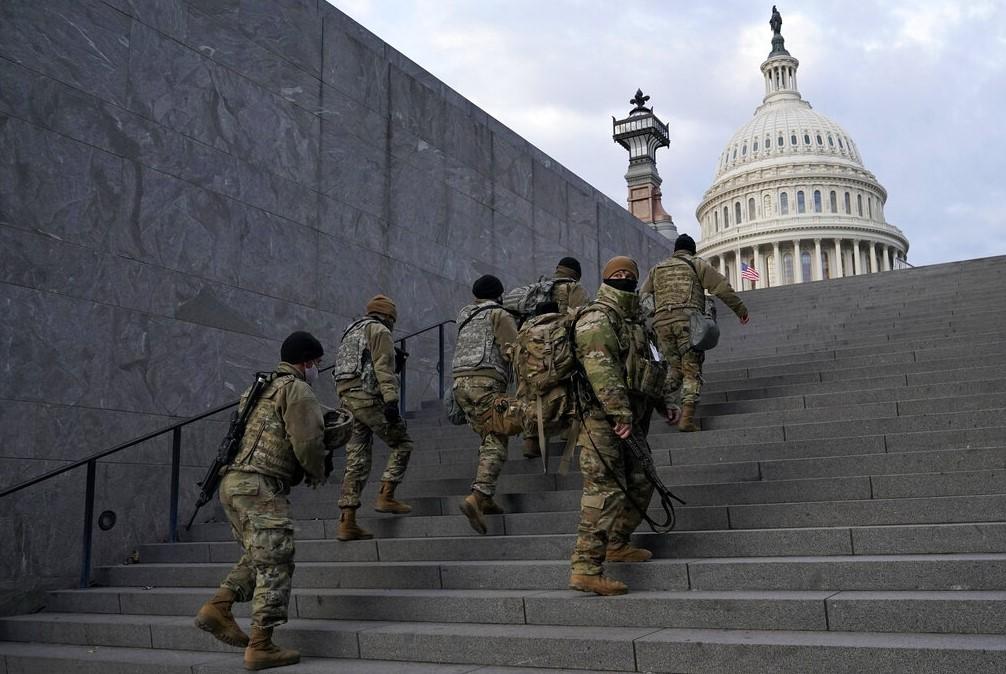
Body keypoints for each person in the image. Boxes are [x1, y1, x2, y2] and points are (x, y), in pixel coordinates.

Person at [194, 331, 327, 670]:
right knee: (276, 560)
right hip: (258, 486)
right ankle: (261, 645)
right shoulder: (297, 389)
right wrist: (316, 471)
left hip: (233, 483)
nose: (318, 370)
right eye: (317, 364)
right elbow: (308, 440)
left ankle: (219, 606)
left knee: (260, 554)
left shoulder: (258, 389)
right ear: (308, 362)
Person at [569, 257, 664, 596]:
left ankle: (617, 543)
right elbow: (600, 366)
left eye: (629, 275)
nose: (624, 279)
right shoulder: (598, 316)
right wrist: (618, 412)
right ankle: (585, 568)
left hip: (632, 417)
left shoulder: (636, 320)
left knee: (642, 480)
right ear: (606, 280)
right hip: (601, 417)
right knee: (604, 490)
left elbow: (646, 367)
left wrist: (663, 402)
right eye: (617, 275)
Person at [641, 234, 749, 432]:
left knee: (675, 369)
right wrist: (741, 310)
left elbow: (643, 296)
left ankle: (651, 396)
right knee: (691, 371)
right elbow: (721, 287)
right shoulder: (696, 264)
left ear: (675, 250)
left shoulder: (657, 268)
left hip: (661, 325)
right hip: (688, 323)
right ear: (692, 250)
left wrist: (657, 310)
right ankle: (687, 419)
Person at [332, 295, 414, 541]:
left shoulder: (351, 331)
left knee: (356, 459)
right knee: (402, 444)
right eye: (393, 319)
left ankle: (347, 521)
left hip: (347, 400)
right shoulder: (380, 331)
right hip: (369, 399)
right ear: (389, 316)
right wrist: (391, 401)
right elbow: (383, 367)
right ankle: (386, 496)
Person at [452, 274, 521, 534]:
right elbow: (511, 351)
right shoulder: (500, 315)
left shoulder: (465, 314)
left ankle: (488, 498)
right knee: (497, 436)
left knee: (487, 436)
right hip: (486, 382)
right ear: (499, 294)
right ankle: (478, 496)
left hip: (460, 384)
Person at [521, 257, 590, 458]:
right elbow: (580, 317)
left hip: (533, 349)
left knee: (532, 391)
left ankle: (531, 440)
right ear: (576, 273)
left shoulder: (540, 288)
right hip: (561, 349)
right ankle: (569, 431)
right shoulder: (574, 288)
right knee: (570, 385)